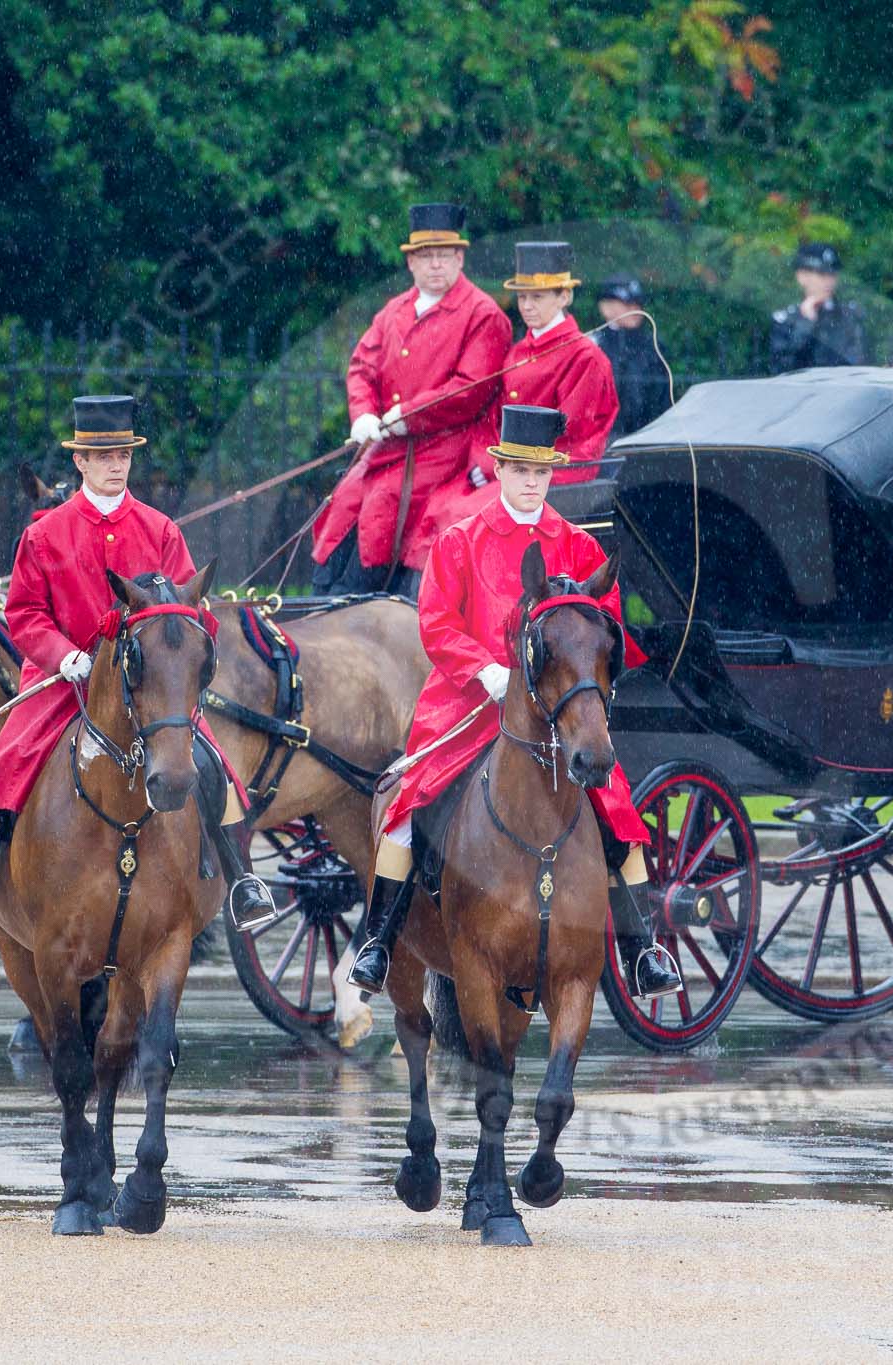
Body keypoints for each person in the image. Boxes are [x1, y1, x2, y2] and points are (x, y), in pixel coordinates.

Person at [345, 404, 682, 1002]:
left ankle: (642, 950)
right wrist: (486, 671)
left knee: (615, 804)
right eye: (521, 470)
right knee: (409, 803)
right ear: (499, 469)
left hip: (556, 712)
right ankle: (378, 940)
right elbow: (436, 623)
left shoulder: (578, 546)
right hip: (468, 703)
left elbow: (604, 630)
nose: (531, 482)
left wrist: (569, 680)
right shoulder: (459, 541)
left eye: (541, 472)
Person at [0, 395, 278, 937]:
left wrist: (183, 648)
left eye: (123, 455)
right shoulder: (43, 535)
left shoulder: (160, 530)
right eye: (103, 457)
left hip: (147, 685)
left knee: (214, 761)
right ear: (80, 461)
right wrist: (64, 656)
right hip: (62, 679)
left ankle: (242, 879)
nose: (115, 465)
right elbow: (24, 613)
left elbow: (190, 607)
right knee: (6, 759)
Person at [310, 203, 512, 598]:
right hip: (388, 445)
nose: (436, 265)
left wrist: (409, 415)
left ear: (459, 259)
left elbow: (470, 388)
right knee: (344, 499)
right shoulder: (394, 311)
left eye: (444, 255)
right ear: (411, 262)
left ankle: (357, 597)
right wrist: (363, 414)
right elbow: (362, 367)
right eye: (426, 256)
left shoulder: (483, 314)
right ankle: (322, 594)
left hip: (444, 448)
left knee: (383, 504)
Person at [418, 241, 619, 539]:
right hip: (510, 468)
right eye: (522, 297)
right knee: (434, 506)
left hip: (551, 474)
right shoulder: (517, 353)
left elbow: (569, 433)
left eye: (537, 296)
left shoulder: (584, 358)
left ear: (564, 296)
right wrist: (485, 461)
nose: (526, 305)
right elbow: (492, 419)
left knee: (462, 518)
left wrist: (503, 465)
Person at [768, 242, 866, 372]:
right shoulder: (785, 320)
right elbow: (781, 369)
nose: (828, 281)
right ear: (801, 276)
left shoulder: (849, 315)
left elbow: (858, 364)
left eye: (832, 274)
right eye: (821, 274)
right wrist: (806, 323)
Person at [593, 273, 671, 436]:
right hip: (603, 438)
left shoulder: (653, 346)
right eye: (627, 304)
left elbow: (662, 400)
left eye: (638, 303)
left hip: (647, 436)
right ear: (605, 307)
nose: (635, 309)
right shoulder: (593, 346)